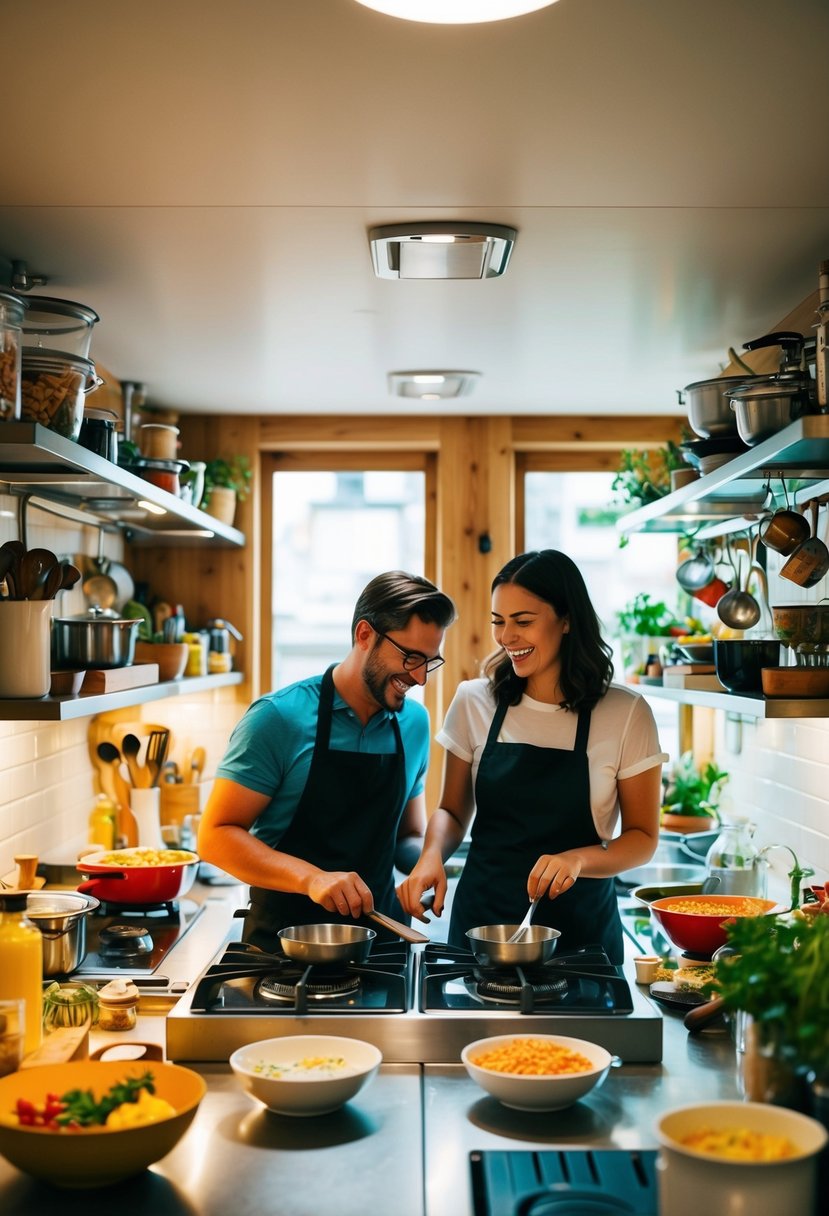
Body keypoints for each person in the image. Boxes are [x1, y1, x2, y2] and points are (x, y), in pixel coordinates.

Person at [397, 550, 667, 963]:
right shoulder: (475, 701)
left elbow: (643, 838)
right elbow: (452, 811)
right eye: (498, 622)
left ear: (567, 619)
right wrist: (431, 855)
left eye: (523, 622)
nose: (506, 637)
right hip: (481, 928)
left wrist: (577, 859)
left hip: (581, 936)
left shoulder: (626, 713)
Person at [198, 571, 456, 951]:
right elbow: (215, 836)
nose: (419, 678)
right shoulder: (278, 719)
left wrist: (427, 861)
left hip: (381, 949)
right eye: (411, 657)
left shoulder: (414, 723)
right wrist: (311, 878)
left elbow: (407, 835)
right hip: (285, 950)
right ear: (364, 635)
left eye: (430, 662)